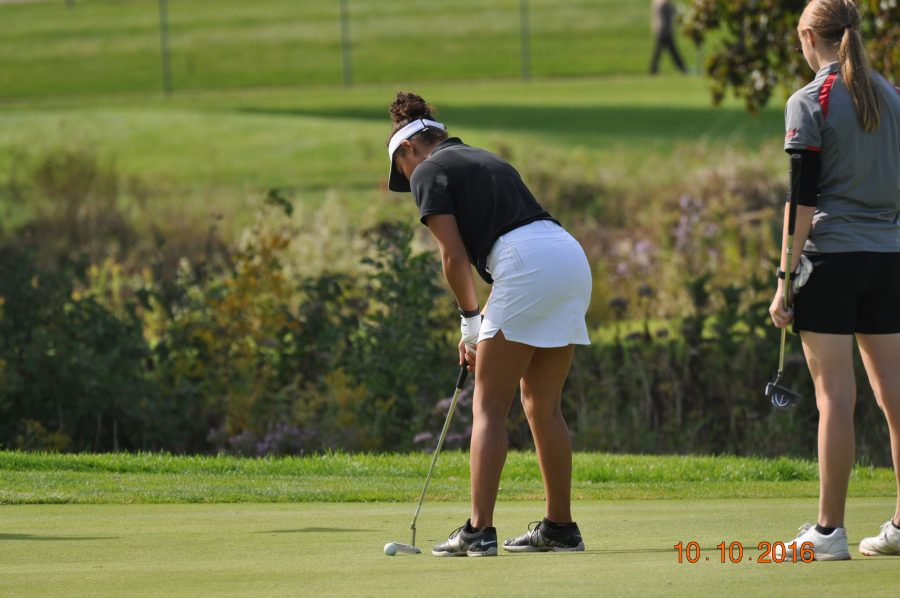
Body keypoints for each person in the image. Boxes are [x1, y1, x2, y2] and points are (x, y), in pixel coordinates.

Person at [386, 91, 592, 557]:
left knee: (488, 406)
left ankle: (479, 531)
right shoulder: (480, 157)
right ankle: (560, 528)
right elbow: (514, 250)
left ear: (408, 151)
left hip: (526, 264)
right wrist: (484, 323)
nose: (407, 179)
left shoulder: (427, 170)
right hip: (568, 257)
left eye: (401, 170)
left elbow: (454, 257)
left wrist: (468, 322)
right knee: (542, 404)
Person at [769, 0, 900, 560]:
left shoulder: (810, 100)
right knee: (896, 398)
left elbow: (802, 201)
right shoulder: (891, 96)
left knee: (835, 398)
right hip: (891, 257)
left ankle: (827, 533)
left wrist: (783, 279)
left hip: (832, 259)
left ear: (808, 36)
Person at [649, 0, 687, 75]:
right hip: (664, 32)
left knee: (664, 52)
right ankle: (683, 68)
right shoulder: (663, 5)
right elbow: (669, 13)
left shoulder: (661, 4)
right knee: (666, 52)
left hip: (663, 31)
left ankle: (683, 68)